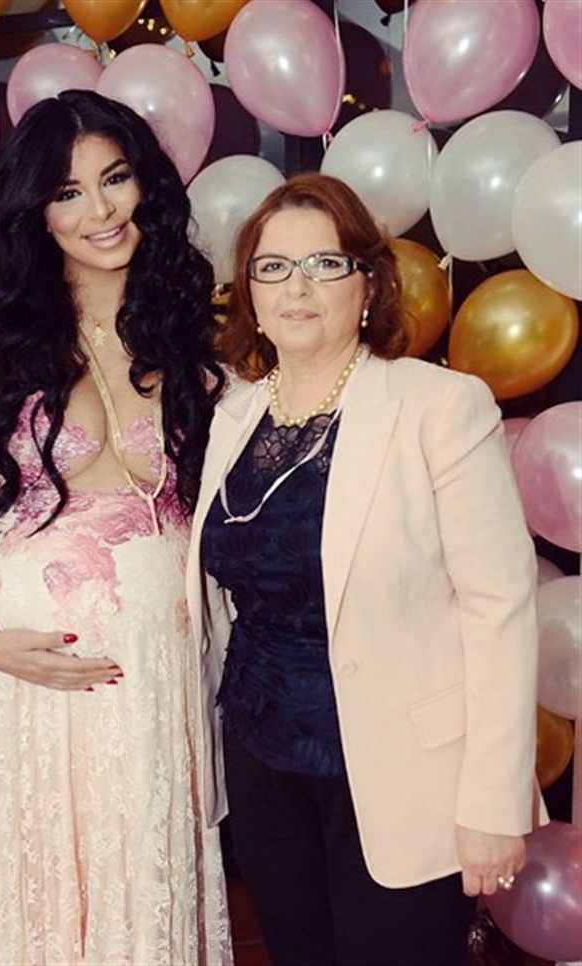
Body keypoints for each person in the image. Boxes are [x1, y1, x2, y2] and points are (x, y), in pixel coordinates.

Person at [186, 173, 543, 966]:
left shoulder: (440, 406)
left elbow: (502, 608)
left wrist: (493, 802)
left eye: (326, 264)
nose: (297, 288)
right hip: (261, 757)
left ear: (369, 282)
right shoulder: (231, 416)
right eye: (273, 268)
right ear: (250, 291)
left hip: (402, 770)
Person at [0, 90, 231, 965]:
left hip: (156, 676)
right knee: (39, 897)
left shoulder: (189, 340)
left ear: (146, 186)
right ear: (33, 215)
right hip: (26, 678)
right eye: (67, 192)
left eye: (116, 179)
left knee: (146, 888)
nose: (100, 211)